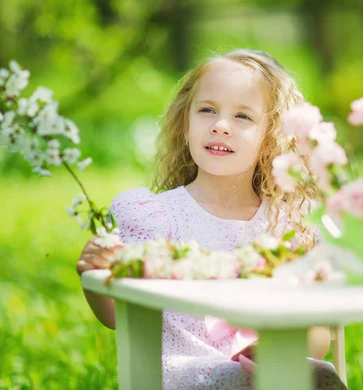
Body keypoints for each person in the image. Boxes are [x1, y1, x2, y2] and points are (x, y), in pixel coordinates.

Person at [76, 49, 347, 390]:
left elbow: (320, 333)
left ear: (271, 137)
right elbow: (120, 316)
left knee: (315, 376)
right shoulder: (157, 218)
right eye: (207, 110)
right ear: (184, 123)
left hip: (270, 370)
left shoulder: (289, 227)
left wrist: (277, 344)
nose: (220, 126)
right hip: (186, 375)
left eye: (243, 117)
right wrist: (93, 271)